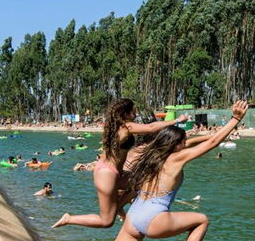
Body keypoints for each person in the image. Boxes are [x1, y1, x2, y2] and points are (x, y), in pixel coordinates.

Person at [48, 101, 249, 241]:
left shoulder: (150, 157)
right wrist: (235, 119)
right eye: (184, 143)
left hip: (133, 220)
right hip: (153, 219)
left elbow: (198, 141)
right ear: (176, 145)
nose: (186, 145)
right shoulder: (176, 158)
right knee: (201, 219)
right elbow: (212, 142)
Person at [52, 98, 188, 229]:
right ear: (125, 114)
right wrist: (177, 120)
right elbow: (151, 127)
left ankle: (119, 208)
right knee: (106, 221)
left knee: (142, 182)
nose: (135, 115)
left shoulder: (114, 127)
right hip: (107, 174)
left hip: (111, 171)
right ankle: (69, 219)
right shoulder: (126, 126)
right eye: (133, 112)